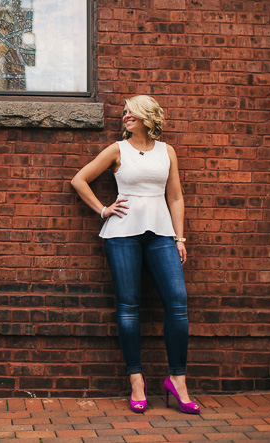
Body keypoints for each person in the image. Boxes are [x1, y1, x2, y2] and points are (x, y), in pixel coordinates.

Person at [71, 95, 200, 415]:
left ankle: (177, 381)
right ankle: (137, 382)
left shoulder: (167, 151)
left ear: (147, 115)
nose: (125, 116)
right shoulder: (117, 149)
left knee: (177, 301)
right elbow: (79, 180)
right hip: (121, 234)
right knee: (129, 307)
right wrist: (103, 209)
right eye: (124, 113)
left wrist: (179, 237)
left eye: (131, 112)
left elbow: (176, 197)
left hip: (161, 236)